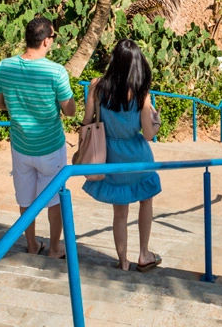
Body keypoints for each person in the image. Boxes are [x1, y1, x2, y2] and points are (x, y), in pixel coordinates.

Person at [0, 17, 76, 258]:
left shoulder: (5, 66)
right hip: (50, 145)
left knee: (26, 198)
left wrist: (21, 106)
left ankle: (31, 244)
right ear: (47, 40)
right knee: (54, 200)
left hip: (20, 145)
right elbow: (69, 111)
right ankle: (54, 248)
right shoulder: (56, 71)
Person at [82, 39, 162, 272]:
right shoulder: (141, 94)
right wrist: (156, 121)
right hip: (138, 156)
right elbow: (148, 134)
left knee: (120, 211)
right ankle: (144, 254)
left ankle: (123, 260)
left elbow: (87, 121)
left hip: (110, 156)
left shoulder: (96, 86)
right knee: (145, 201)